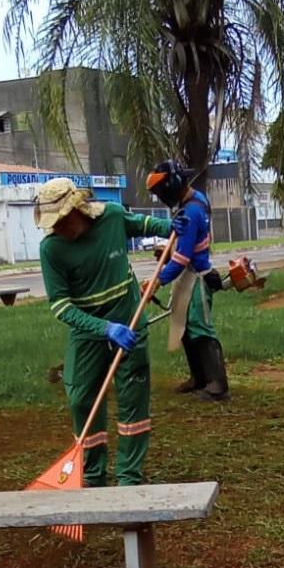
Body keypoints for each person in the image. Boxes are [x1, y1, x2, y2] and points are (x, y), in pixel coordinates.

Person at [36, 178, 173, 486]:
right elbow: (61, 307)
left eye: (60, 220)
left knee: (132, 400)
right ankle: (92, 475)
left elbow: (148, 225)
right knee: (81, 399)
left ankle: (128, 477)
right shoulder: (52, 249)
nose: (55, 227)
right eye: (51, 222)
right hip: (88, 332)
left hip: (129, 322)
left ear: (77, 210)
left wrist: (179, 227)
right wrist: (104, 328)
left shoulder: (111, 217)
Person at [146, 159, 230, 401]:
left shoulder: (191, 211)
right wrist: (168, 252)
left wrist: (159, 280)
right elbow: (186, 245)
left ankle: (218, 384)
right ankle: (199, 378)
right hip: (188, 275)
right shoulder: (195, 199)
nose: (161, 197)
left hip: (196, 276)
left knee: (200, 329)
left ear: (171, 186)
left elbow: (183, 257)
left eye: (161, 192)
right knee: (184, 327)